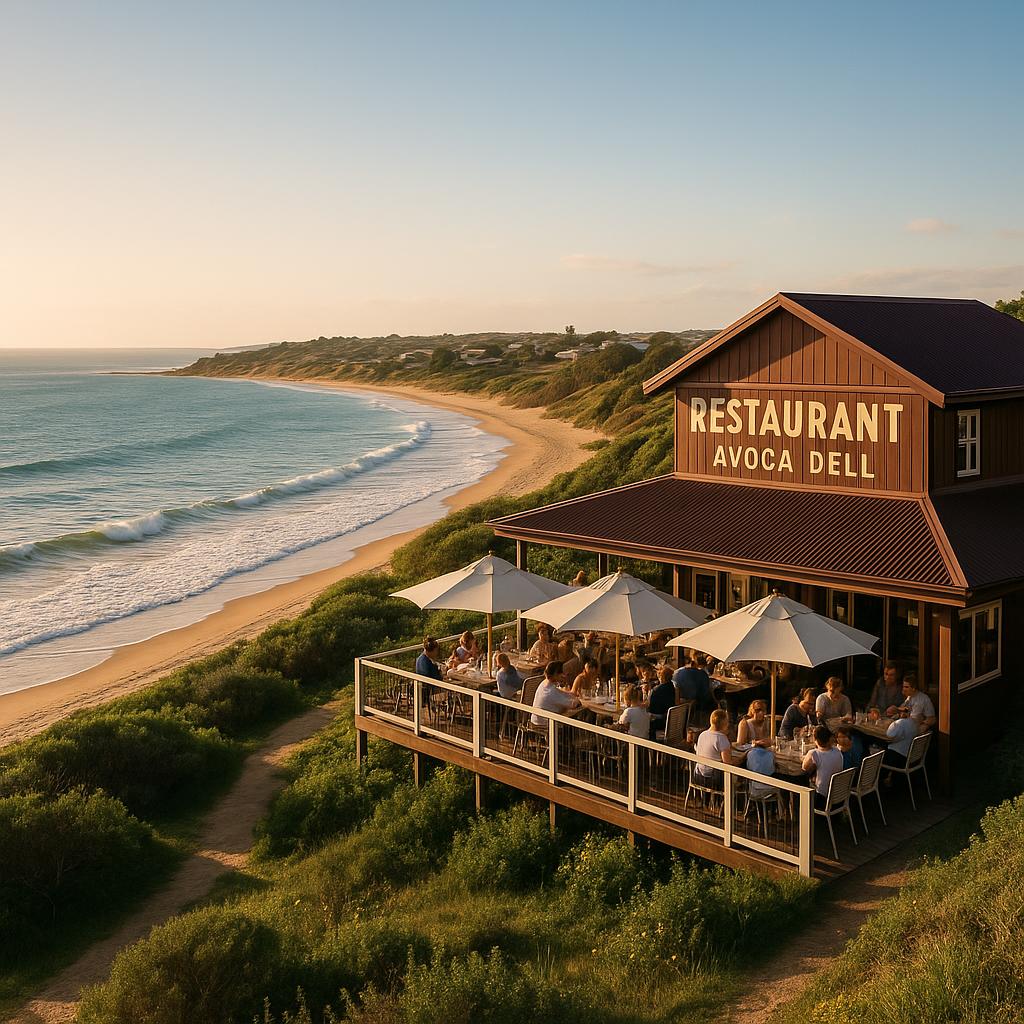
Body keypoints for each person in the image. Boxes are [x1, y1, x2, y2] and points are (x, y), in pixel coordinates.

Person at [801, 725, 845, 808]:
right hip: (838, 794)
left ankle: (800, 813)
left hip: (822, 798)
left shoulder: (814, 753)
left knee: (802, 780)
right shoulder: (838, 751)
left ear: (816, 740)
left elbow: (804, 767)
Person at [530, 661, 578, 725]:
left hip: (537, 719)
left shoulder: (544, 683)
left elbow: (561, 693)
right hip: (544, 724)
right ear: (557, 674)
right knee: (576, 714)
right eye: (562, 673)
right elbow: (572, 704)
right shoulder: (551, 692)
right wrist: (578, 700)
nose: (564, 675)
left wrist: (571, 695)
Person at [694, 709, 734, 786]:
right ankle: (732, 796)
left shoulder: (702, 734)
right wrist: (741, 758)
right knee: (736, 775)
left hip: (698, 775)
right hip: (713, 778)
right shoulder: (721, 738)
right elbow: (727, 763)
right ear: (724, 723)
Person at [883, 705, 919, 770]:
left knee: (878, 752)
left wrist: (892, 722)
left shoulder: (899, 723)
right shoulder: (913, 723)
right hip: (908, 755)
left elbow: (889, 735)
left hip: (898, 756)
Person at [647, 665, 678, 739]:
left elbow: (649, 706)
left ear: (661, 677)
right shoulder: (672, 687)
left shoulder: (656, 690)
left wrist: (647, 693)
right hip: (668, 718)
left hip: (658, 720)